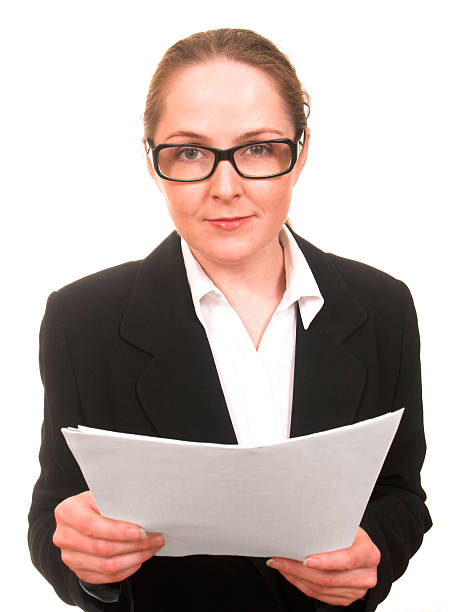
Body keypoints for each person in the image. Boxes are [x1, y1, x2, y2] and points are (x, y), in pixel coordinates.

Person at [28, 28, 432, 611]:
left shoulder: (383, 307)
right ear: (152, 161)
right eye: (190, 152)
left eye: (258, 149)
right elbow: (55, 516)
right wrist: (89, 564)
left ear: (301, 152)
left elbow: (400, 494)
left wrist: (375, 552)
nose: (225, 188)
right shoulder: (81, 320)